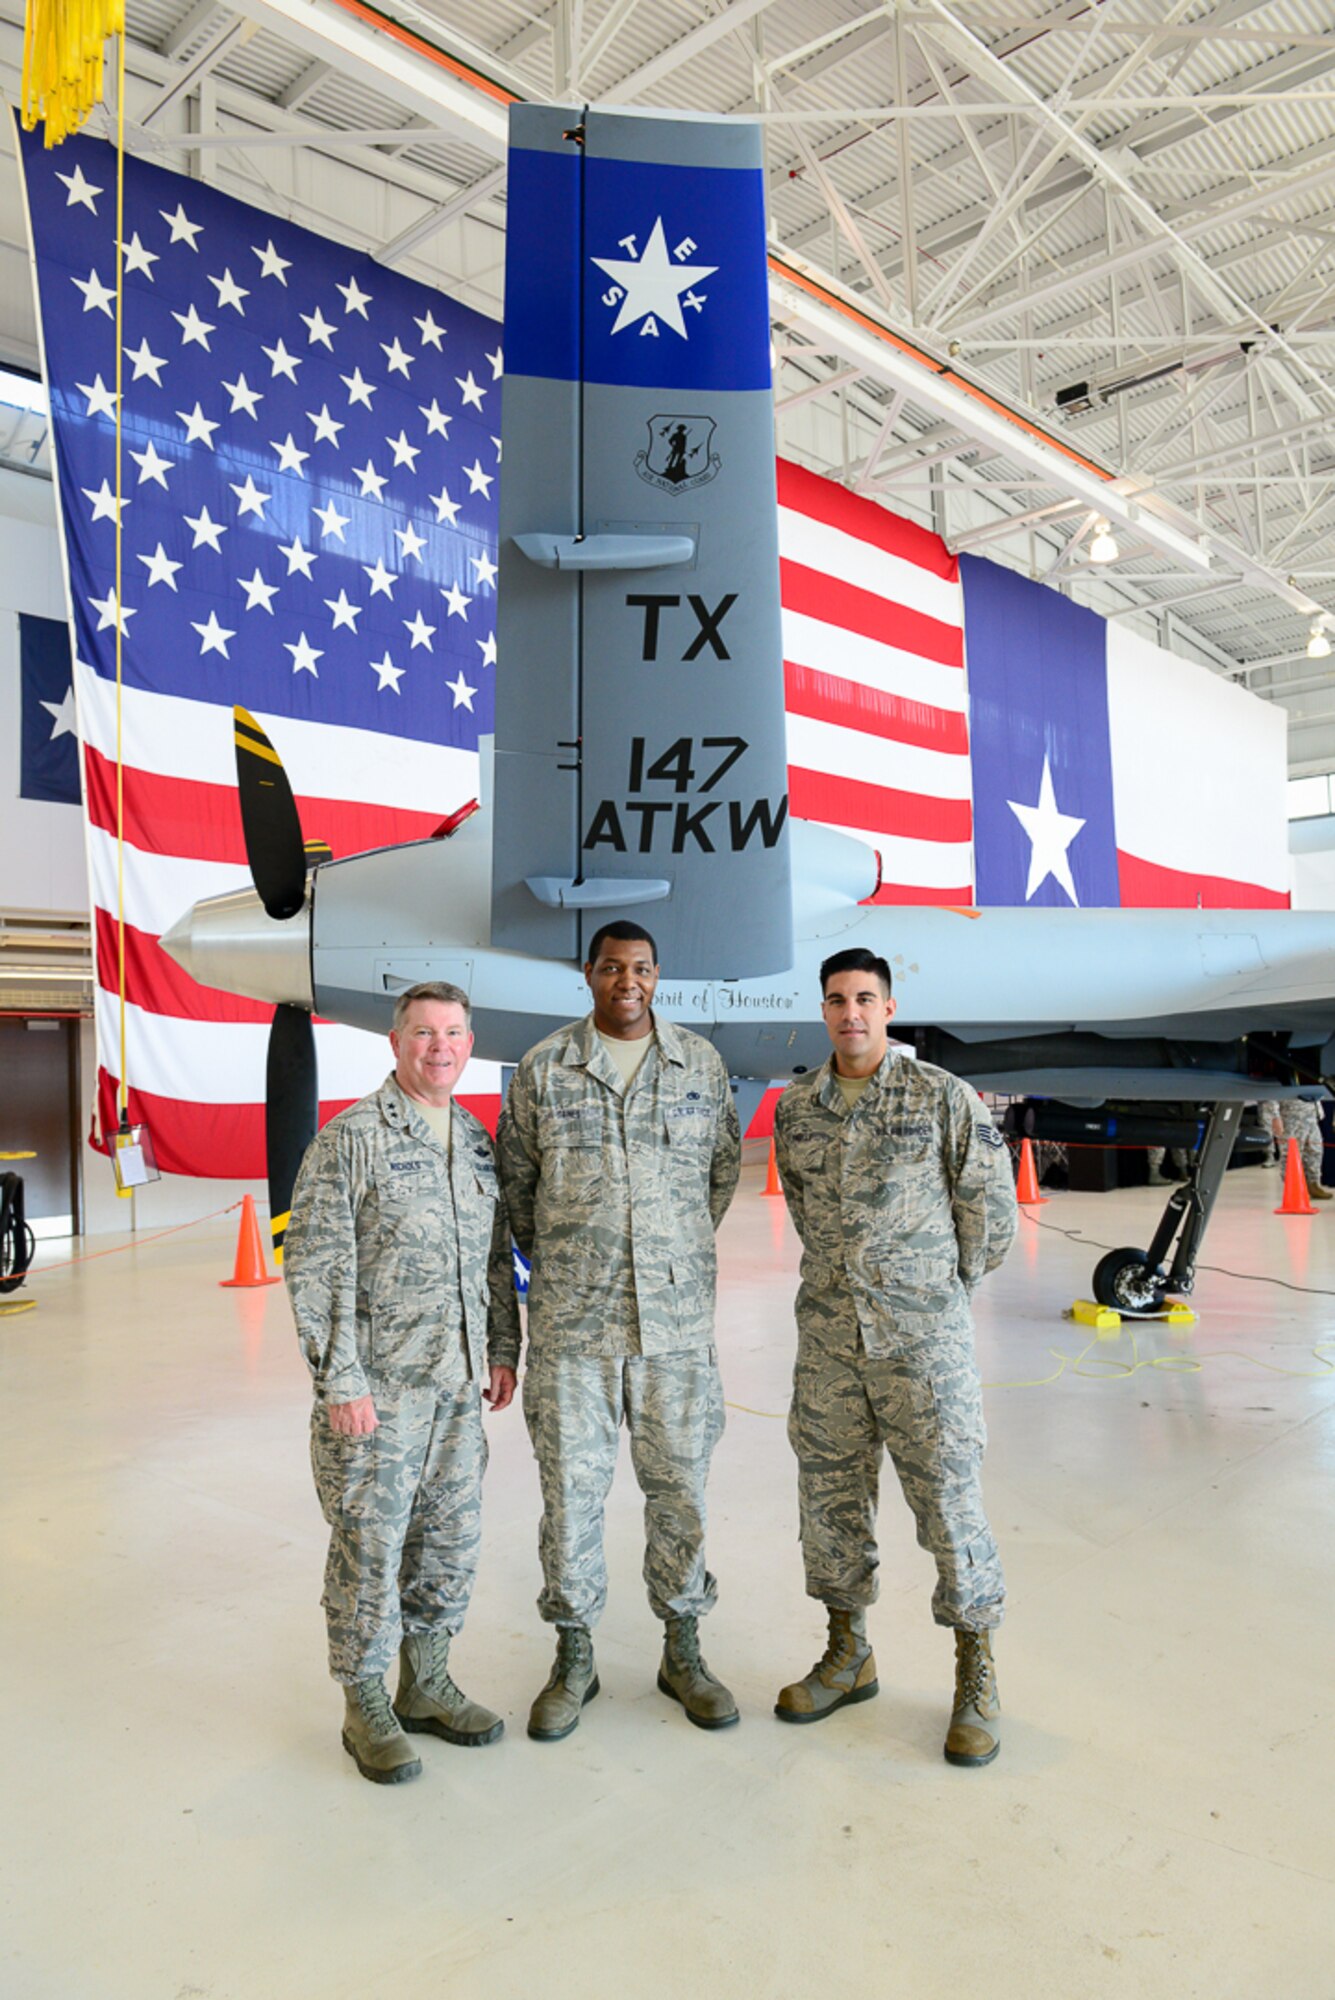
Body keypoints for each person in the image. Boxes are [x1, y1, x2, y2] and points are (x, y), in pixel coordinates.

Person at [496, 921, 742, 1741]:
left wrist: (668, 1256)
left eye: (640, 967)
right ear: (589, 975)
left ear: (656, 973)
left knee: (680, 1495)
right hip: (574, 1331)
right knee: (570, 1500)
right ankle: (573, 1656)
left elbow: (720, 1174)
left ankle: (682, 1647)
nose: (626, 981)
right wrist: (580, 1259)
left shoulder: (699, 1064)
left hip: (674, 1332)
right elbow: (519, 1193)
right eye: (610, 968)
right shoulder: (542, 1069)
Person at [773, 948, 1017, 1767]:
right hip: (831, 1345)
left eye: (864, 999)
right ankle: (848, 1654)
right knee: (830, 1503)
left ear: (889, 1006)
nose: (850, 1013)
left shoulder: (940, 1096)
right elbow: (808, 1213)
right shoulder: (797, 1108)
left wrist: (933, 1296)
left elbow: (988, 1214)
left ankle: (974, 1671)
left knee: (948, 1504)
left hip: (921, 1346)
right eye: (837, 1000)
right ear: (823, 1010)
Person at [284, 982, 520, 1784]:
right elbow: (315, 1269)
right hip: (377, 1394)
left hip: (455, 1386)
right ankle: (364, 1703)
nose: (440, 1047)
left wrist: (500, 1348)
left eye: (453, 1032)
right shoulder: (350, 1140)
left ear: (469, 1039)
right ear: (395, 1043)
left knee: (446, 1541)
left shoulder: (474, 1141)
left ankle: (425, 1683)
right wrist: (339, 1382)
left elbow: (494, 1260)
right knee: (369, 1547)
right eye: (423, 1033)